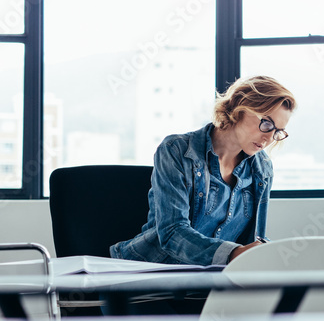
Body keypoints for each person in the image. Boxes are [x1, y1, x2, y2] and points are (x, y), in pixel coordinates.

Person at [111, 75, 295, 267]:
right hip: (152, 273)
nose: (269, 138)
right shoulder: (177, 150)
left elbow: (252, 240)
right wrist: (233, 254)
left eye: (277, 132)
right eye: (266, 123)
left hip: (211, 280)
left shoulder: (262, 168)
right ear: (239, 108)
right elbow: (172, 233)